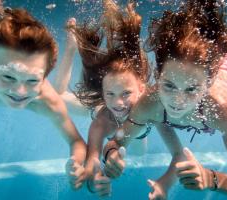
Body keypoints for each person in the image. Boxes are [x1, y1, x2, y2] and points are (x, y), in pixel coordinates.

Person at [103, 0, 227, 199]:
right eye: (169, 86)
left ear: (207, 85)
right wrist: (110, 155)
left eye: (191, 89)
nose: (177, 101)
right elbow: (115, 142)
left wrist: (211, 178)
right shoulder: (150, 103)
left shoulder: (223, 110)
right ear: (158, 75)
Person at [0, 8, 86, 190]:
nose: (20, 91)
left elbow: (76, 141)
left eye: (32, 80)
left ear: (44, 77)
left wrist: (77, 163)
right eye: (8, 77)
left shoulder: (45, 98)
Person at [68, 0, 150, 196]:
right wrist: (93, 178)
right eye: (110, 94)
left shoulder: (150, 100)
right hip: (95, 109)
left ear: (141, 89)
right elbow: (92, 161)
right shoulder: (100, 123)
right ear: (104, 94)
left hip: (132, 132)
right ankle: (70, 49)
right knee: (59, 96)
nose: (119, 102)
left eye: (126, 93)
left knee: (139, 152)